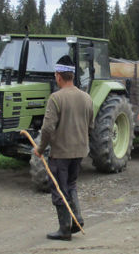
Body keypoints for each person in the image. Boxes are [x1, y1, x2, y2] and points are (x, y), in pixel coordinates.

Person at [33, 55, 94, 241]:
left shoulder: (55, 98)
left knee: (59, 188)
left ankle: (65, 228)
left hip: (61, 153)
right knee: (71, 185)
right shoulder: (86, 97)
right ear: (73, 76)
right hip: (80, 152)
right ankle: (77, 219)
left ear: (58, 76)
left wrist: (40, 148)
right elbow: (90, 125)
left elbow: (47, 128)